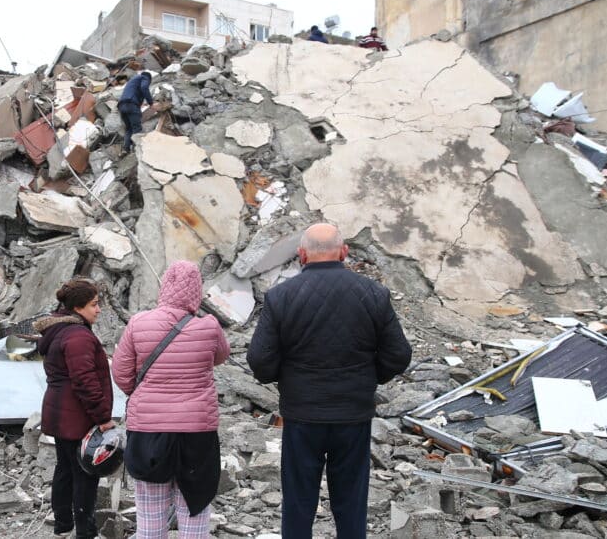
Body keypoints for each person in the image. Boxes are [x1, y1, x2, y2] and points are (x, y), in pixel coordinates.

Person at [247, 223, 412, 539]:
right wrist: (370, 377)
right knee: (351, 502)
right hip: (353, 413)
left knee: (298, 501)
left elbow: (260, 360)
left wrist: (284, 378)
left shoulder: (281, 297)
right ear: (344, 252)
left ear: (301, 254)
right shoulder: (374, 294)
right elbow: (399, 354)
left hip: (301, 414)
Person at [112, 261, 231, 539]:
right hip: (197, 431)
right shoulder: (210, 327)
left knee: (150, 516)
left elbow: (120, 373)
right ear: (197, 292)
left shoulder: (138, 323)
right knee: (194, 508)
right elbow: (221, 357)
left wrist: (145, 393)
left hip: (149, 430)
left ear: (164, 287)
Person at [35, 278, 115, 539]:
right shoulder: (79, 336)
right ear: (78, 308)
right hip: (77, 417)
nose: (99, 309)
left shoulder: (59, 330)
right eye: (94, 304)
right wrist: (103, 418)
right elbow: (85, 381)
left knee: (65, 468)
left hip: (59, 413)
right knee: (85, 474)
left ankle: (63, 527)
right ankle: (84, 532)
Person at [117, 65, 153, 155]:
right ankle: (137, 151)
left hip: (122, 106)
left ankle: (126, 149)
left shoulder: (132, 81)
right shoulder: (144, 77)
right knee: (137, 128)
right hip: (131, 105)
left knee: (129, 129)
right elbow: (144, 88)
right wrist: (151, 103)